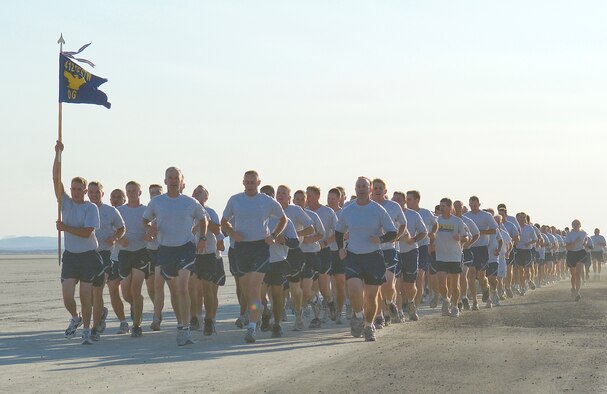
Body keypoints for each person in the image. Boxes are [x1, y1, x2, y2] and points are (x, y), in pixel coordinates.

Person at [143, 167, 208, 346]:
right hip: (165, 250)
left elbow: (203, 219)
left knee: (182, 288)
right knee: (174, 291)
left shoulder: (190, 201)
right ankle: (181, 325)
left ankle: (186, 329)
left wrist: (202, 238)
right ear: (165, 181)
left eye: (176, 178)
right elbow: (145, 219)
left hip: (186, 248)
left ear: (181, 181)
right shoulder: (157, 202)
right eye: (169, 178)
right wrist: (150, 228)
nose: (173, 181)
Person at [221, 170, 287, 343]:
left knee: (253, 289)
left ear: (259, 183)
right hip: (241, 248)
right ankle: (262, 311)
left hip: (260, 247)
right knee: (246, 292)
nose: (250, 185)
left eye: (253, 182)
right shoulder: (235, 200)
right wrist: (232, 233)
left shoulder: (266, 201)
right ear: (243, 183)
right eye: (247, 182)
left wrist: (273, 235)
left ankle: (251, 327)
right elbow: (223, 221)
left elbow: (283, 219)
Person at [53, 141, 103, 345]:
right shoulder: (65, 202)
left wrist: (65, 228)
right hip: (71, 256)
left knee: (85, 295)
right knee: (67, 296)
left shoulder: (90, 208)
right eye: (73, 188)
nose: (74, 192)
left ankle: (86, 330)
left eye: (78, 189)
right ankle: (75, 316)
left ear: (85, 191)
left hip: (88, 256)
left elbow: (86, 232)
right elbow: (56, 179)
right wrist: (57, 154)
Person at [335, 177, 397, 341]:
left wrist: (381, 239)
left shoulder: (377, 210)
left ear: (369, 189)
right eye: (358, 186)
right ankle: (358, 314)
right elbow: (339, 230)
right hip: (353, 255)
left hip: (373, 256)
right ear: (355, 190)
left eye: (364, 186)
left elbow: (392, 231)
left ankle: (369, 326)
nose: (361, 189)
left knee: (371, 296)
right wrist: (341, 248)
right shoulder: (348, 209)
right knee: (354, 291)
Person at [87, 181, 125, 340]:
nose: (94, 194)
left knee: (100, 289)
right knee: (88, 293)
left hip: (106, 255)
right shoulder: (85, 209)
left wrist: (115, 237)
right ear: (87, 193)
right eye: (91, 192)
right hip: (87, 254)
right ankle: (101, 312)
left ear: (102, 194)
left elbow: (122, 228)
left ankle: (96, 328)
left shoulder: (111, 211)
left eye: (97, 192)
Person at [369, 180, 408, 328]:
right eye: (375, 188)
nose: (378, 190)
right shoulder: (368, 206)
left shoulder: (393, 206)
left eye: (381, 188)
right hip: (372, 250)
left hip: (389, 249)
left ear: (385, 191)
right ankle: (379, 316)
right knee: (375, 286)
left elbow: (403, 224)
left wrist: (396, 236)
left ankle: (390, 302)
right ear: (372, 190)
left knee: (387, 283)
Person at [117, 181, 151, 337]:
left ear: (139, 192)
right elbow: (113, 228)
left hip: (141, 252)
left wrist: (150, 234)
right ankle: (135, 305)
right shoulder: (119, 211)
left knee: (135, 288)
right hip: (124, 253)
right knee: (126, 293)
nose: (131, 193)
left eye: (134, 190)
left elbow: (155, 226)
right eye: (128, 191)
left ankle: (137, 325)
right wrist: (119, 239)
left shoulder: (146, 210)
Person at [191, 185, 222, 335]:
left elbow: (218, 231)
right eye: (195, 192)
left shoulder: (211, 212)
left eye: (200, 192)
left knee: (208, 289)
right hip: (191, 254)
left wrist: (207, 223)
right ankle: (195, 317)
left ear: (206, 197)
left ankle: (210, 319)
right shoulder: (188, 211)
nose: (196, 194)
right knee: (194, 289)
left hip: (209, 253)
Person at [434, 198, 469, 317]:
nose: (441, 208)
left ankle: (455, 306)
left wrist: (460, 238)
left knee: (455, 284)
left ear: (450, 207)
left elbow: (467, 237)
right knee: (441, 282)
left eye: (444, 206)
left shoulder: (457, 221)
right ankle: (445, 300)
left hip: (454, 256)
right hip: (440, 256)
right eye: (440, 206)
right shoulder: (436, 221)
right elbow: (430, 233)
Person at [464, 196, 498, 310]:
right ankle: (474, 301)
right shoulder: (466, 216)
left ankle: (485, 290)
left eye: (475, 205)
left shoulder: (486, 216)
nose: (473, 207)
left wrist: (480, 232)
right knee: (471, 275)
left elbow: (494, 229)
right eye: (471, 205)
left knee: (481, 276)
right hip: (470, 248)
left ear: (479, 204)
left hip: (482, 248)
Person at [405, 191, 437, 309]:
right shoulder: (404, 213)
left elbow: (435, 224)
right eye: (406, 199)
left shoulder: (426, 213)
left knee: (419, 276)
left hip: (423, 246)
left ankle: (416, 307)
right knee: (407, 279)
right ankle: (407, 302)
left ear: (417, 200)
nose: (407, 202)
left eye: (410, 199)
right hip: (407, 248)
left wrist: (432, 233)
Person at [108, 189, 130, 334]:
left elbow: (125, 240)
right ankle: (123, 322)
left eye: (119, 197)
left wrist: (118, 236)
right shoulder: (106, 214)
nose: (116, 200)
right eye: (113, 197)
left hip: (128, 257)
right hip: (111, 258)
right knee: (113, 290)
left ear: (124, 200)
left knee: (128, 294)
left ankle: (136, 313)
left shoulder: (127, 215)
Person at [147, 184, 165, 331]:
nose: (155, 195)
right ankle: (157, 308)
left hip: (163, 251)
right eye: (152, 193)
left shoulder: (165, 207)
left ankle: (156, 317)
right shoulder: (147, 210)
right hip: (148, 251)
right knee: (150, 287)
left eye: (157, 192)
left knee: (159, 285)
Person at [565, 220, 587, 301]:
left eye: (577, 224)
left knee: (578, 274)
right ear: (572, 225)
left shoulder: (583, 233)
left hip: (581, 253)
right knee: (573, 275)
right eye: (574, 224)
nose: (576, 225)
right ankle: (573, 288)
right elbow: (567, 247)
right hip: (571, 254)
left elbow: (586, 239)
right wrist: (575, 242)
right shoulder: (569, 235)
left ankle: (577, 292)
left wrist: (585, 242)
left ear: (580, 225)